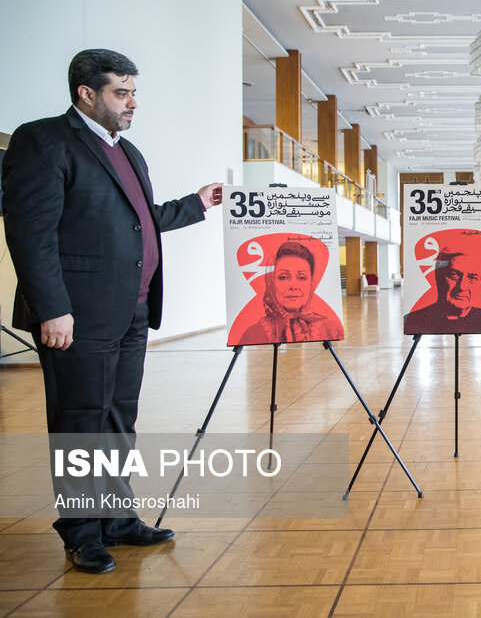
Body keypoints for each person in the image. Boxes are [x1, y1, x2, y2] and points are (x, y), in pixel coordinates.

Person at [1, 49, 223, 573]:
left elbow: (139, 220)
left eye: (133, 92)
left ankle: (118, 519)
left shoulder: (129, 152)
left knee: (119, 418)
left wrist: (197, 203)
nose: (132, 103)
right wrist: (51, 308)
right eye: (121, 92)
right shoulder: (44, 140)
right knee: (80, 422)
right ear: (86, 93)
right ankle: (81, 531)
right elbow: (30, 234)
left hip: (132, 312)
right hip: (77, 315)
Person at [238, 240, 342, 344]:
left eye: (301, 277)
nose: (293, 286)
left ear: (312, 282)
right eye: (283, 277)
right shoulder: (253, 333)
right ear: (271, 282)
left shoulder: (330, 328)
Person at [403, 248, 481, 334]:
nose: (462, 287)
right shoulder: (413, 320)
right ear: (438, 278)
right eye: (454, 275)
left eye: (472, 278)